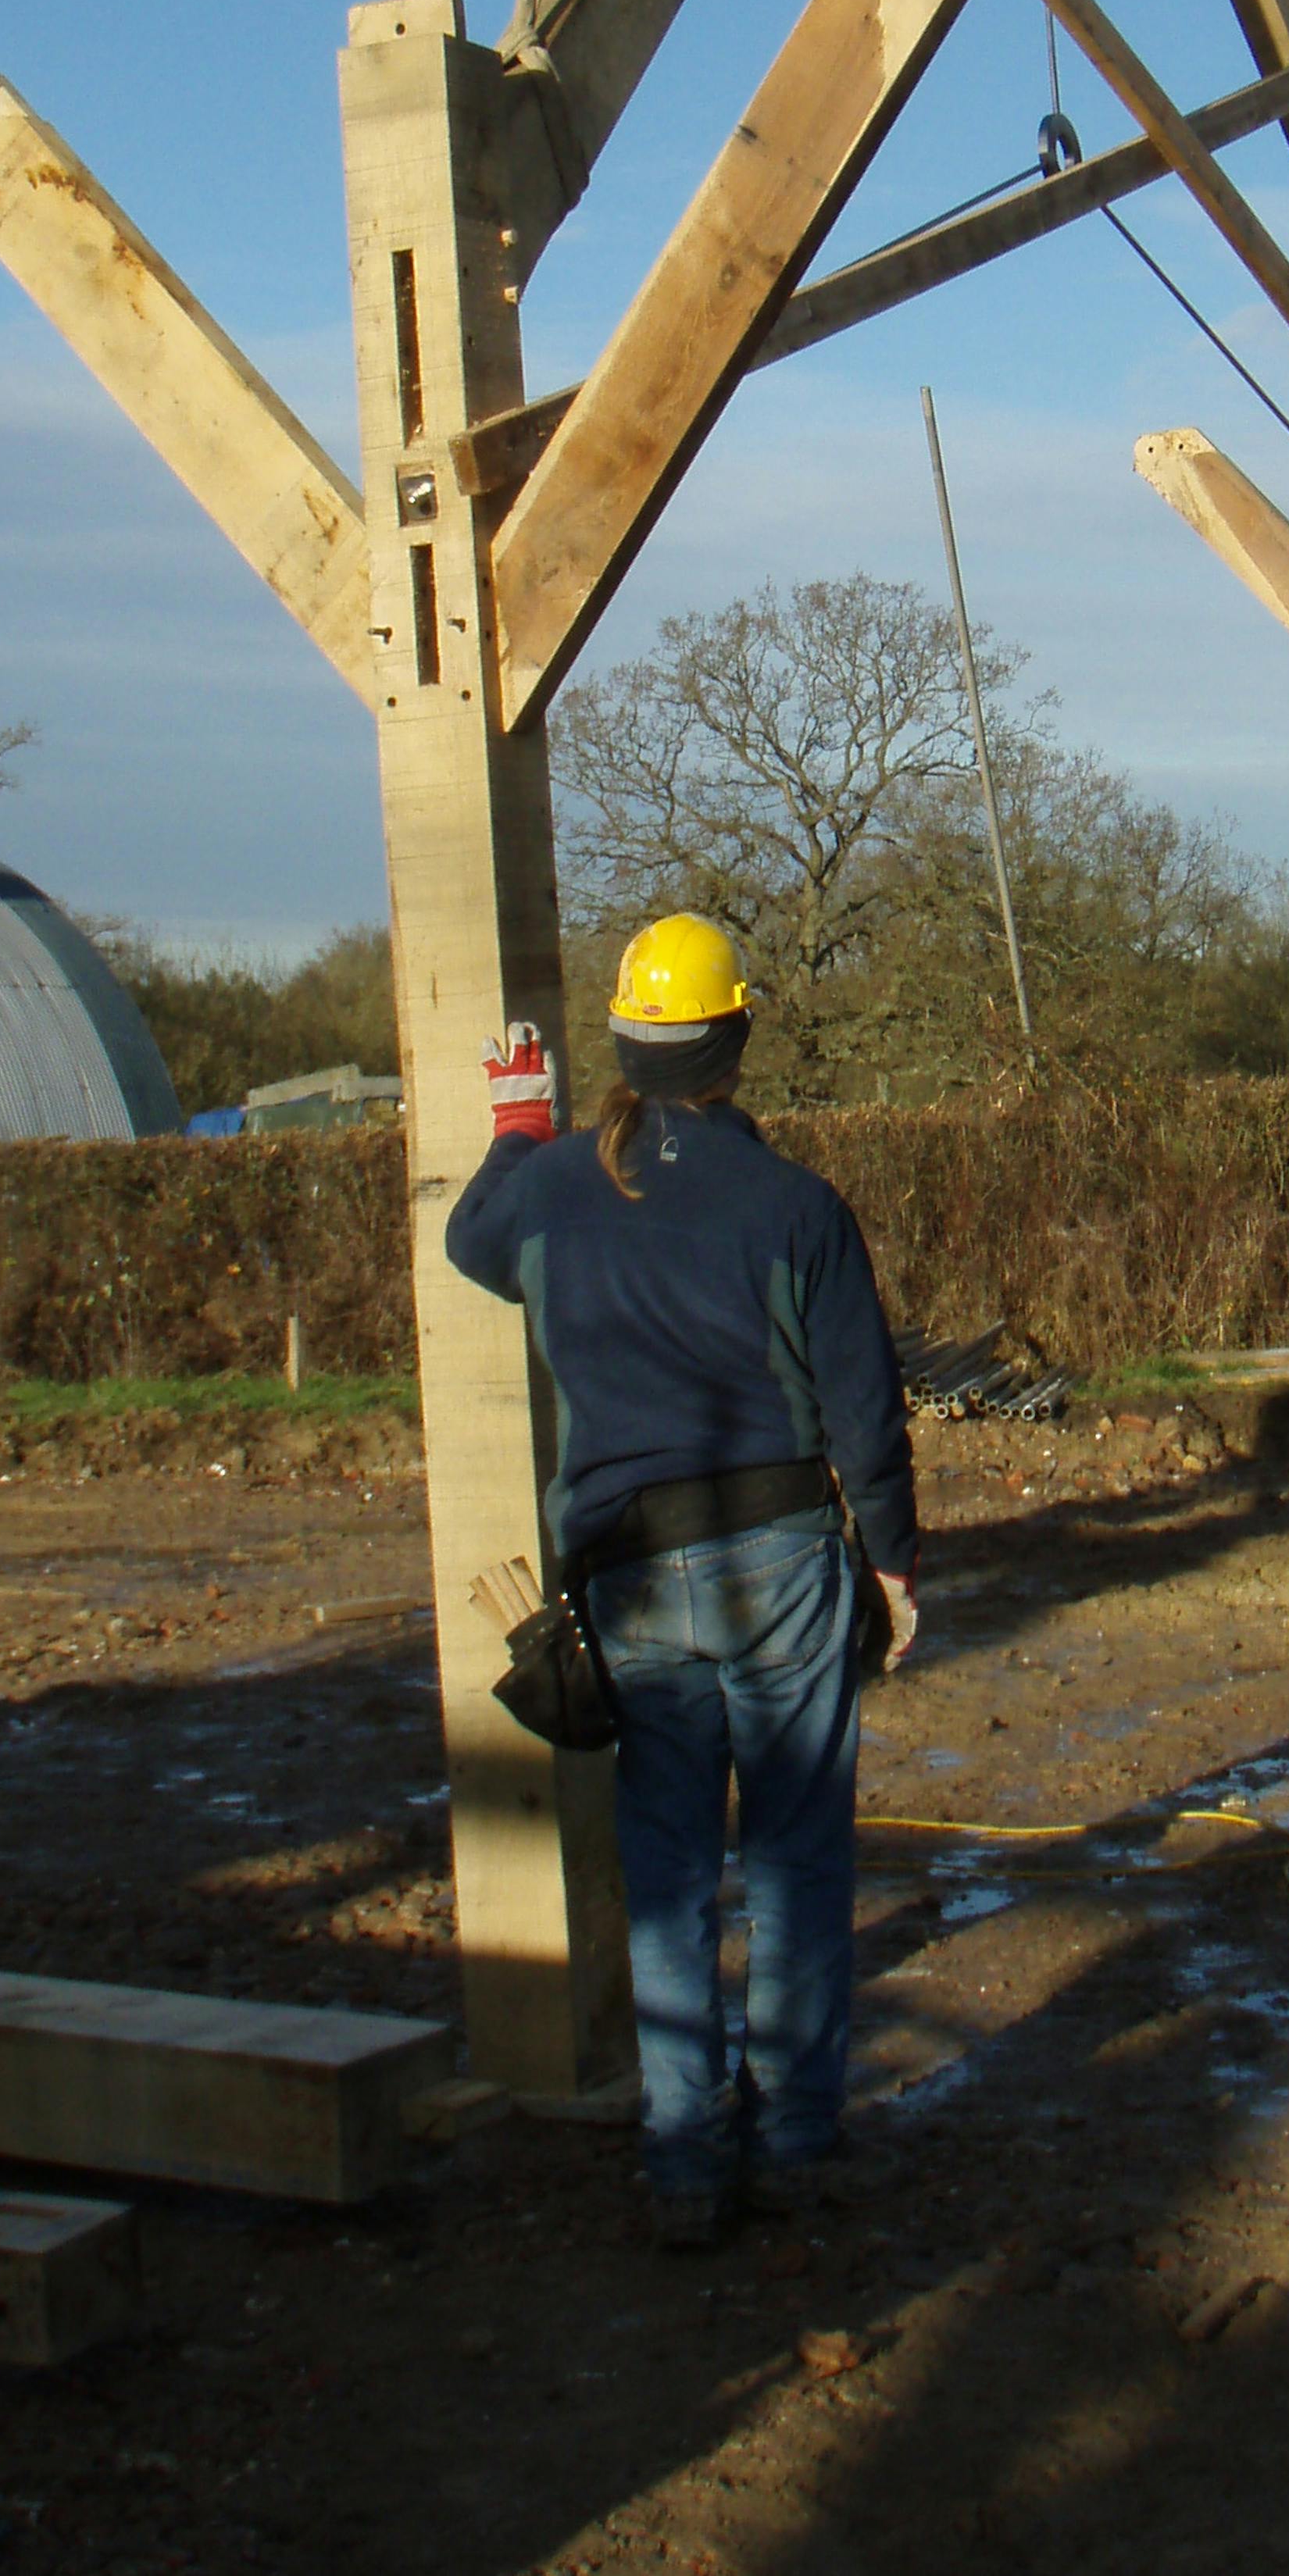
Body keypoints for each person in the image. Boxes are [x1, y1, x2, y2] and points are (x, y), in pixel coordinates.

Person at [445, 912, 916, 2246]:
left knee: (665, 1870)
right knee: (795, 1857)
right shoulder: (795, 1205)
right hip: (782, 1555)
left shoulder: (548, 1193)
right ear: (738, 1040)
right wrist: (895, 1562)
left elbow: (471, 1241)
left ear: (625, 1040)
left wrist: (517, 1119)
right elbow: (863, 1412)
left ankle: (684, 2161)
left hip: (629, 1574)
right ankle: (800, 2137)